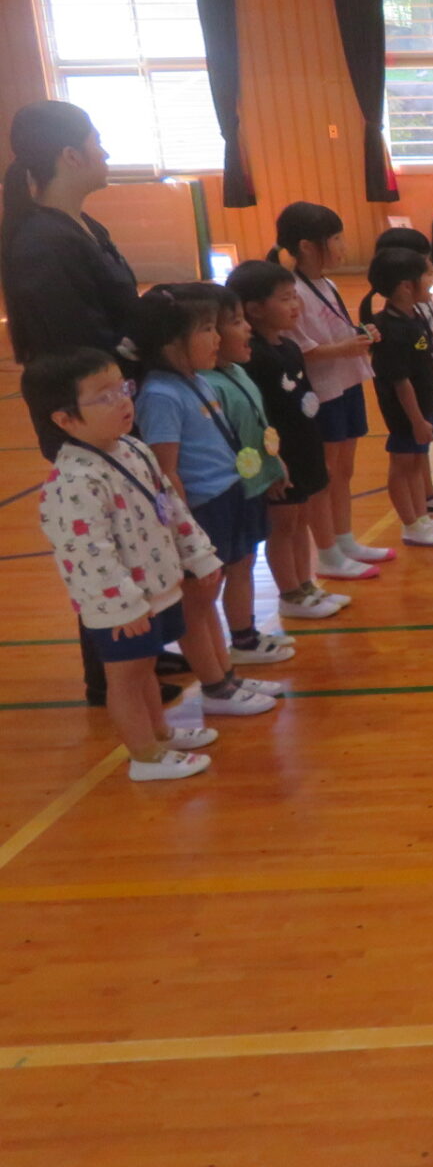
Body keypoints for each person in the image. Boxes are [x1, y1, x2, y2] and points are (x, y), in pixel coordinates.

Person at [28, 348, 228, 780]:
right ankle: (145, 757)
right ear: (64, 419)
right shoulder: (74, 481)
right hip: (120, 607)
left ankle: (160, 733)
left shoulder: (134, 448)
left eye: (123, 388)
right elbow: (89, 553)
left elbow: (170, 506)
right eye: (104, 397)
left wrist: (198, 554)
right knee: (127, 678)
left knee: (147, 668)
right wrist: (123, 606)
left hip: (155, 590)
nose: (123, 401)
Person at [3, 100, 141, 704]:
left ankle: (137, 651)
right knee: (102, 545)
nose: (104, 153)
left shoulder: (83, 226)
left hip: (115, 401)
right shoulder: (42, 242)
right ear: (69, 155)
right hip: (83, 417)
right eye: (96, 142)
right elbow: (75, 343)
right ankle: (108, 673)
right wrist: (130, 354)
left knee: (132, 533)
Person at [127, 288, 281, 712]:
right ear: (171, 342)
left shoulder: (195, 380)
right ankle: (215, 688)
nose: (217, 338)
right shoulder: (160, 394)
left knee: (208, 599)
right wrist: (186, 530)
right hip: (200, 510)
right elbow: (167, 471)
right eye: (207, 330)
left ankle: (226, 677)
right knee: (197, 605)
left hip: (226, 496)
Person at [271, 201, 391, 581]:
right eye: (335, 239)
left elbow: (335, 333)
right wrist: (345, 347)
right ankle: (326, 553)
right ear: (308, 246)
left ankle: (344, 539)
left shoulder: (328, 284)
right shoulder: (293, 292)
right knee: (324, 474)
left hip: (346, 381)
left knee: (344, 470)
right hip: (322, 390)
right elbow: (299, 349)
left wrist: (360, 336)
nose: (343, 246)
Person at [182, 282, 294, 666]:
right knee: (226, 570)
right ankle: (233, 644)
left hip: (249, 488)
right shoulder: (207, 385)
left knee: (244, 562)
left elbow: (257, 427)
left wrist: (273, 466)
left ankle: (245, 634)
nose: (246, 329)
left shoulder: (236, 373)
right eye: (234, 322)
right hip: (227, 493)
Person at [229, 260, 342, 623]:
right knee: (283, 527)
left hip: (304, 447)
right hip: (279, 457)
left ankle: (306, 585)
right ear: (254, 308)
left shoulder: (291, 348)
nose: (295, 305)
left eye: (295, 296)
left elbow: (303, 402)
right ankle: (289, 593)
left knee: (301, 521)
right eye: (285, 298)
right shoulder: (253, 359)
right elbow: (257, 416)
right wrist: (272, 461)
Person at [365, 247, 433, 548]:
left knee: (417, 461)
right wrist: (417, 420)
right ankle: (410, 525)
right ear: (406, 286)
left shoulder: (414, 315)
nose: (431, 281)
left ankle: (422, 519)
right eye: (426, 276)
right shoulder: (390, 329)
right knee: (403, 465)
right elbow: (400, 381)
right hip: (406, 412)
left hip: (425, 403)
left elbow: (422, 354)